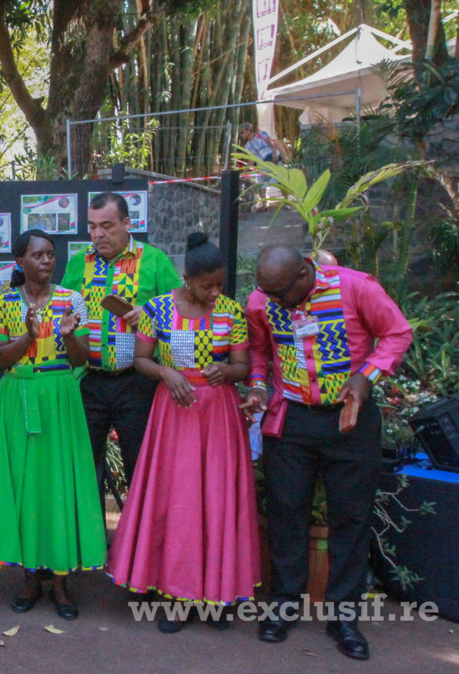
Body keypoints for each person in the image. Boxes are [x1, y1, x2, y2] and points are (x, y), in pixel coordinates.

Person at [241, 245, 412, 661]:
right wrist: (258, 386)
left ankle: (343, 616)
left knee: (351, 516)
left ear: (304, 274)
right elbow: (260, 351)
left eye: (280, 294)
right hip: (293, 419)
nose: (273, 303)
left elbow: (397, 333)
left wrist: (366, 377)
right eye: (268, 294)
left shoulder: (355, 287)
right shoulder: (262, 299)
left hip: (349, 421)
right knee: (285, 511)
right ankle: (284, 603)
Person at [106, 233, 261, 633]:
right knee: (178, 502)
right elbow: (140, 359)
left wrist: (227, 372)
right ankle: (177, 596)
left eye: (220, 284)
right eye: (207, 285)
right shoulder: (158, 309)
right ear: (187, 279)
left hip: (218, 414)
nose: (215, 292)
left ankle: (217, 594)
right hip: (173, 413)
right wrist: (165, 372)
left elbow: (243, 366)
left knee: (217, 500)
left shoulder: (230, 312)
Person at [0, 230, 105, 618]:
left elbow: (81, 359)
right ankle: (30, 580)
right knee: (26, 490)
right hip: (18, 397)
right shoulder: (6, 302)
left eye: (50, 255)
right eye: (38, 255)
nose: (47, 261)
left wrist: (68, 336)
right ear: (20, 262)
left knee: (57, 488)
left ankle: (61, 584)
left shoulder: (71, 300)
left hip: (60, 398)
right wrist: (28, 338)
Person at [60, 192, 182, 493]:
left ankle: (138, 539)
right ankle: (91, 540)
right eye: (92, 226)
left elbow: (182, 316)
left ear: (128, 223)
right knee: (86, 469)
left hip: (137, 381)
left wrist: (152, 316)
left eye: (108, 225)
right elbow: (62, 310)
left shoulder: (155, 261)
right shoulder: (78, 263)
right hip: (89, 380)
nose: (98, 234)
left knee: (140, 465)